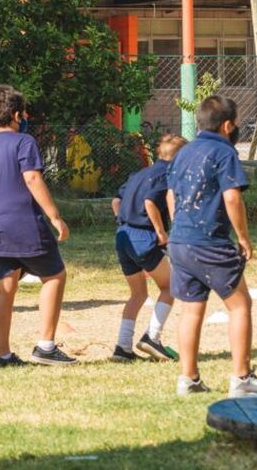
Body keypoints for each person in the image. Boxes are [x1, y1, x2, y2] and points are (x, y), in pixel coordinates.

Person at [166, 95, 257, 397]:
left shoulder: (182, 153)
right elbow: (232, 197)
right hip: (209, 242)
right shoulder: (223, 152)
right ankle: (242, 378)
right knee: (240, 305)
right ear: (228, 125)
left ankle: (188, 379)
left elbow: (171, 195)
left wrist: (181, 227)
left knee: (190, 310)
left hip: (179, 242)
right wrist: (243, 238)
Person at [0, 85, 77, 367]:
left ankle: (2, 355)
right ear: (16, 114)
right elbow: (32, 179)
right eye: (23, 113)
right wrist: (55, 216)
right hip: (25, 225)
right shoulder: (24, 142)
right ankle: (46, 346)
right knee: (54, 276)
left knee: (4, 288)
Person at [110, 134, 187, 362]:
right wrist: (161, 232)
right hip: (143, 236)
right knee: (171, 286)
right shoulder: (167, 174)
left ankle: (122, 347)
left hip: (123, 236)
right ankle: (152, 337)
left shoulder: (140, 173)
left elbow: (116, 201)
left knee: (138, 294)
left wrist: (124, 221)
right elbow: (150, 202)